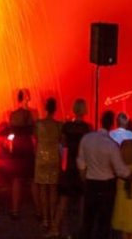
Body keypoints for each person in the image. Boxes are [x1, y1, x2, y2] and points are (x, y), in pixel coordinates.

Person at [78, 110, 132, 239]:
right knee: (104, 221)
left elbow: (81, 162)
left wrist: (84, 179)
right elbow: (120, 170)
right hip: (107, 185)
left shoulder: (87, 139)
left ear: (100, 120)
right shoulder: (111, 145)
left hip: (91, 182)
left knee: (88, 219)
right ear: (112, 124)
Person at [50, 98, 92, 238]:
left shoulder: (66, 127)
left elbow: (61, 146)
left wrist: (62, 164)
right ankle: (80, 229)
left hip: (68, 165)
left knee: (64, 198)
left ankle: (56, 227)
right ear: (84, 110)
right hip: (81, 166)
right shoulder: (87, 128)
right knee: (81, 199)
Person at [34, 97, 62, 228]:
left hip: (41, 158)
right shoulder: (58, 125)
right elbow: (61, 141)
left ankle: (45, 219)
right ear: (55, 109)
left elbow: (36, 138)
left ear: (45, 108)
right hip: (54, 158)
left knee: (43, 189)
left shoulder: (38, 123)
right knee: (53, 189)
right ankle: (52, 217)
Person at [8, 88, 36, 219]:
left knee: (16, 179)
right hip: (27, 146)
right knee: (32, 179)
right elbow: (34, 132)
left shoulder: (12, 114)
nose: (29, 99)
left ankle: (15, 210)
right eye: (28, 97)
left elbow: (10, 132)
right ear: (24, 98)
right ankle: (39, 210)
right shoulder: (31, 114)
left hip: (17, 146)